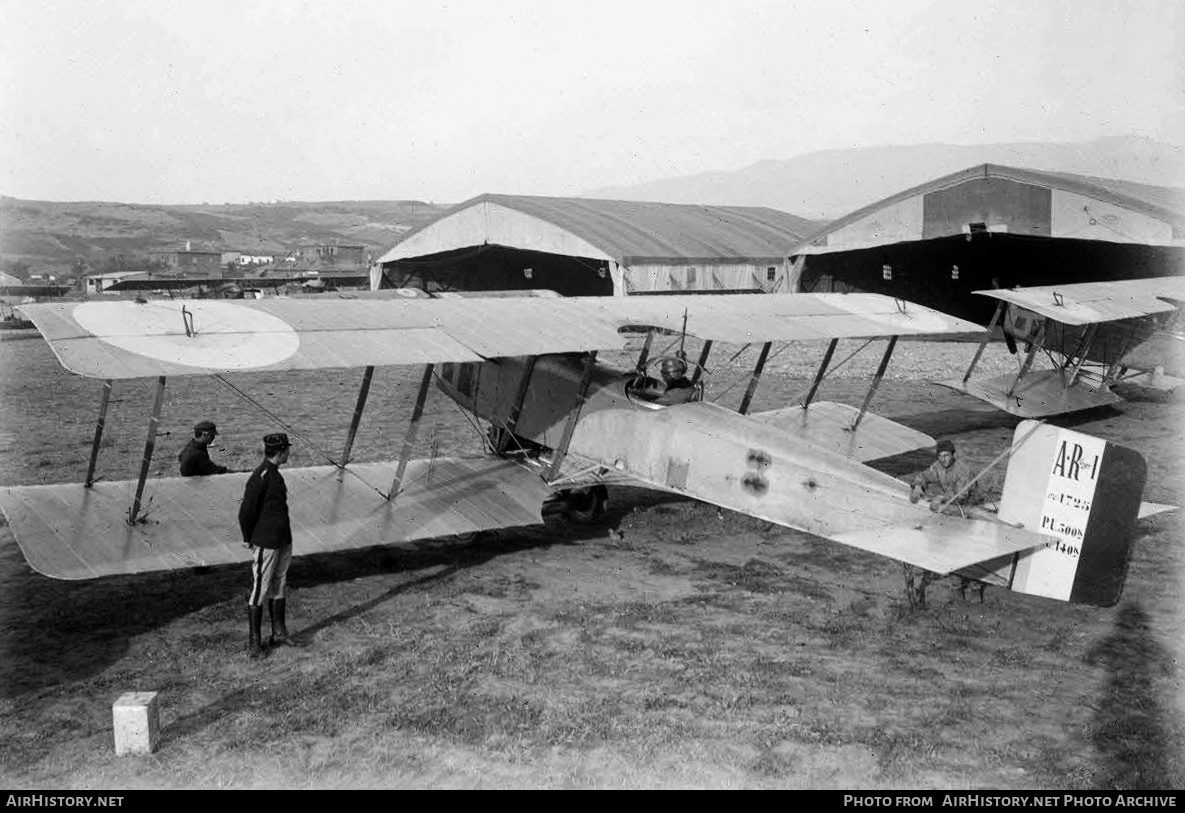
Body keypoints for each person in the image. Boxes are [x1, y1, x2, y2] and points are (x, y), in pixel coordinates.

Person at [908, 438, 992, 602]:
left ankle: (974, 588)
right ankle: (957, 586)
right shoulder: (938, 466)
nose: (943, 459)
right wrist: (918, 486)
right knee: (950, 547)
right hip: (953, 510)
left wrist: (941, 498)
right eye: (940, 456)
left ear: (953, 455)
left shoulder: (963, 469)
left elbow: (962, 495)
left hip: (970, 509)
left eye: (946, 455)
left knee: (969, 549)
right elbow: (924, 475)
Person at [238, 432, 295, 658]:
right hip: (267, 542)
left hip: (282, 539)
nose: (289, 453)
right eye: (287, 450)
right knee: (260, 589)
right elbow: (245, 513)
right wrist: (249, 539)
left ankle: (278, 632)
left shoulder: (274, 474)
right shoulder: (260, 476)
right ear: (280, 452)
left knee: (279, 584)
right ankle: (254, 642)